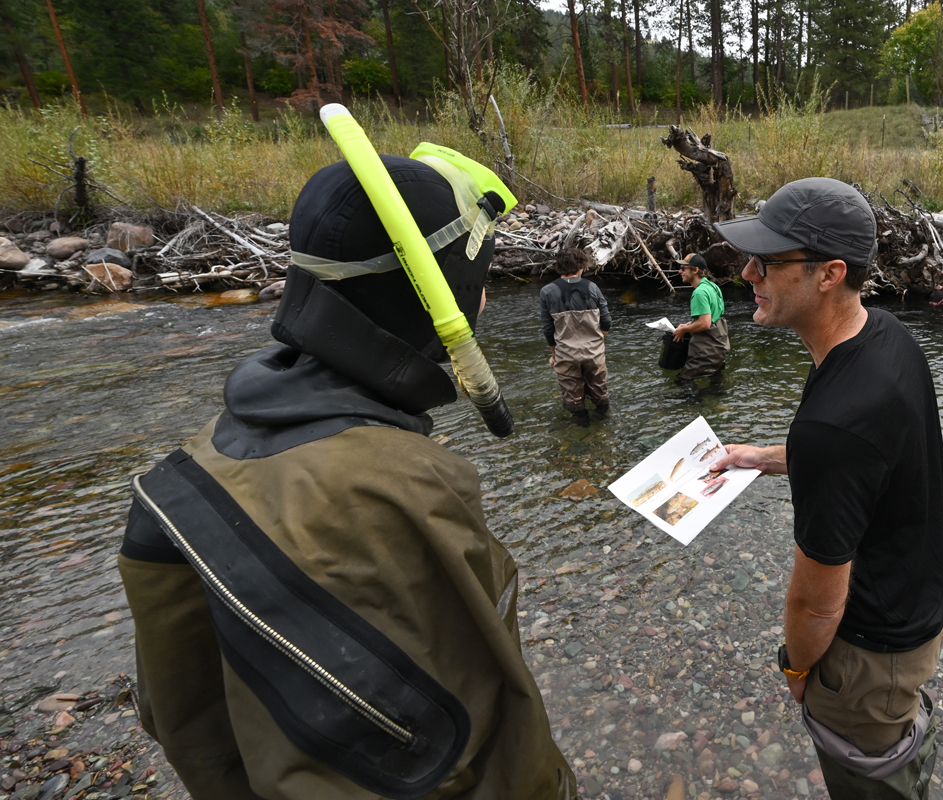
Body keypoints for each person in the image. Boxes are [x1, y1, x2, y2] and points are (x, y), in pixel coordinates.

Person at [117, 155, 576, 800]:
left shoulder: (178, 476)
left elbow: (176, 716)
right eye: (483, 278)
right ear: (452, 299)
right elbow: (484, 741)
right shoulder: (399, 488)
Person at [710, 178, 943, 800]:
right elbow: (870, 459)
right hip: (916, 606)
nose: (747, 273)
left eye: (767, 262)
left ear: (830, 273)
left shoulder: (834, 425)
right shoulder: (888, 338)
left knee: (870, 782)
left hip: (868, 654)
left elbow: (816, 606)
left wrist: (796, 669)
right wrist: (761, 457)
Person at [539, 247, 611, 416]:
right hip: (594, 352)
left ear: (559, 267)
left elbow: (548, 329)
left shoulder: (547, 292)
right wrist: (598, 339)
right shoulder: (593, 287)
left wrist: (555, 354)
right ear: (582, 267)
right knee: (600, 392)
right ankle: (603, 424)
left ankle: (581, 427)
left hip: (566, 353)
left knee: (572, 398)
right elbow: (607, 321)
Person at [671, 253, 730, 381]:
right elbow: (713, 316)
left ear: (695, 270)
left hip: (707, 351)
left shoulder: (699, 292)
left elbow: (705, 324)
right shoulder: (712, 286)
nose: (679, 271)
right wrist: (687, 324)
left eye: (683, 268)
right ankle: (715, 401)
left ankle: (700, 401)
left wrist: (684, 330)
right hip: (719, 346)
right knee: (715, 381)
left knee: (683, 380)